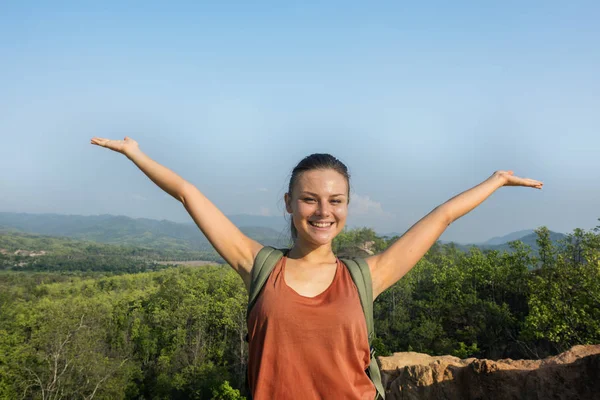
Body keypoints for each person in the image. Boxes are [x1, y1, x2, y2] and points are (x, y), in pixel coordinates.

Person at [91, 136, 543, 399]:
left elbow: (441, 217)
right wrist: (136, 153)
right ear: (289, 204)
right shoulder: (260, 266)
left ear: (347, 206)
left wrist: (497, 180)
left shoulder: (365, 277)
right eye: (309, 199)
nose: (323, 211)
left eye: (335, 200)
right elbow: (189, 194)